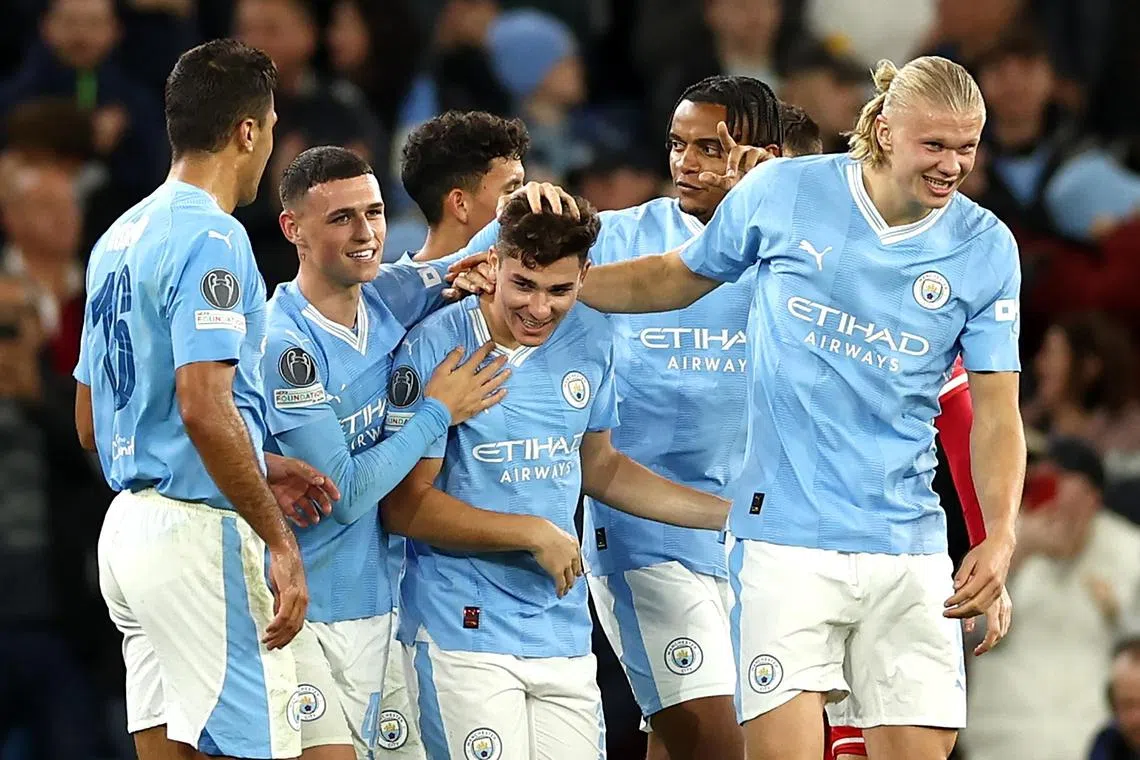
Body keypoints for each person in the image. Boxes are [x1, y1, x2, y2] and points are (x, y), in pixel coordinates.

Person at [536, 56, 1024, 760]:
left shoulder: (986, 248)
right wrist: (558, 287)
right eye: (935, 145)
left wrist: (998, 535)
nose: (952, 165)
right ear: (885, 130)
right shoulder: (785, 193)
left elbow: (996, 415)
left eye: (967, 147)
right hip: (784, 545)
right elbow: (673, 277)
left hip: (909, 545)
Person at [381, 194, 731, 759]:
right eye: (523, 285)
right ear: (493, 263)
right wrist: (531, 533)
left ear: (585, 276)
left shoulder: (591, 338)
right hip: (461, 629)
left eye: (559, 290)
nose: (539, 308)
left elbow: (602, 467)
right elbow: (404, 506)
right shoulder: (439, 345)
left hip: (560, 629)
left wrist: (728, 516)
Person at [74, 39, 337, 760]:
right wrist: (279, 540)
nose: (271, 144)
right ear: (247, 131)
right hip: (197, 537)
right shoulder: (215, 237)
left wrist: (254, 459)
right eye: (272, 127)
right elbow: (201, 404)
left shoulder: (115, 240)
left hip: (127, 536)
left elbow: (93, 423)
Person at [260, 145, 508, 757]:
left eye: (373, 212)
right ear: (293, 228)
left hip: (386, 608)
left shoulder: (390, 294)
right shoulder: (284, 345)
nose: (366, 233)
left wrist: (531, 200)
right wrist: (438, 413)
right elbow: (342, 495)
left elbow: (466, 255)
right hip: (304, 613)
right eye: (341, 218)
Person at [375, 109, 529, 759]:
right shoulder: (383, 310)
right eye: (512, 191)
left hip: (521, 612)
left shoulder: (528, 304)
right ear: (462, 203)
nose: (528, 204)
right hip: (404, 605)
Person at [402, 110, 528, 263]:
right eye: (511, 190)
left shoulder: (526, 274)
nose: (525, 200)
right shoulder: (386, 278)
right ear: (460, 204)